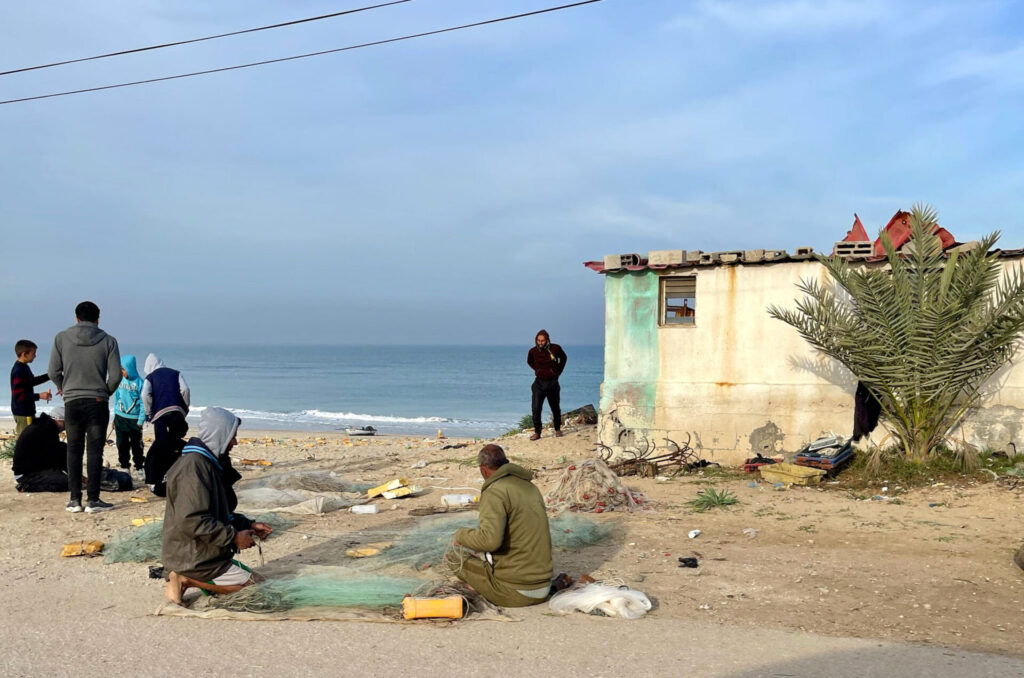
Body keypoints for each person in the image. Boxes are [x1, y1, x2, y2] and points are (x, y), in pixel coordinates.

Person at [161, 407, 272, 605]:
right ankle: (187, 578)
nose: (235, 442)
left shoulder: (206, 462)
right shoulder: (194, 467)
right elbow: (192, 520)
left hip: (201, 551)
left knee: (259, 586)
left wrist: (249, 525)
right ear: (218, 435)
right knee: (259, 588)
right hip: (194, 557)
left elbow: (217, 514)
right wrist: (234, 537)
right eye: (232, 437)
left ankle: (189, 576)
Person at [450, 444, 553, 607]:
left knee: (453, 557)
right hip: (544, 586)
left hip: (515, 591)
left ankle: (489, 586)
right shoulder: (531, 487)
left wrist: (460, 535)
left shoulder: (495, 491)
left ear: (483, 470)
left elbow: (490, 541)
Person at [48, 301, 121, 514]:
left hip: (72, 401)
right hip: (97, 402)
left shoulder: (61, 338)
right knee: (95, 450)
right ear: (98, 318)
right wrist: (104, 392)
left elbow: (53, 371)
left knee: (74, 449)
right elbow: (115, 376)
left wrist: (65, 387)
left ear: (76, 318)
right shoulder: (109, 341)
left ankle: (74, 500)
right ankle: (94, 500)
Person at [12, 407, 68, 493]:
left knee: (63, 447)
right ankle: (27, 486)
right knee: (66, 483)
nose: (65, 427)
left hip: (32, 468)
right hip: (25, 474)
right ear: (58, 420)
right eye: (65, 423)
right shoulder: (46, 430)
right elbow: (55, 455)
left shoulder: (44, 426)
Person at [526, 329, 567, 441]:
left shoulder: (555, 348)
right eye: (538, 340)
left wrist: (558, 371)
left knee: (555, 407)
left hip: (552, 383)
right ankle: (537, 432)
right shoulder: (532, 351)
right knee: (536, 408)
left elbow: (564, 358)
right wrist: (537, 370)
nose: (540, 343)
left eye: (542, 340)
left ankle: (557, 429)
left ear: (547, 340)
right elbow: (529, 361)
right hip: (539, 383)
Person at [142, 353, 190, 442]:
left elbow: (145, 394)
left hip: (159, 414)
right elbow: (185, 390)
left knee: (161, 442)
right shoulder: (176, 373)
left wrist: (148, 412)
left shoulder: (150, 377)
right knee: (176, 439)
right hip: (176, 411)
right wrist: (184, 408)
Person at [113, 355, 147, 475]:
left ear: (130, 368)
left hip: (134, 419)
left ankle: (139, 467)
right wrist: (114, 416)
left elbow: (144, 403)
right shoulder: (120, 381)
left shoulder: (140, 383)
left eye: (123, 369)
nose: (122, 372)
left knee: (136, 445)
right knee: (121, 443)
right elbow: (117, 398)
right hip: (120, 417)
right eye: (120, 369)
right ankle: (124, 466)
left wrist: (141, 420)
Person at [10, 340, 52, 436]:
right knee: (26, 441)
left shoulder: (24, 367)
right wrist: (39, 396)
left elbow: (32, 382)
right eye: (33, 353)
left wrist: (50, 375)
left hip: (26, 411)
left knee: (30, 440)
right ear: (24, 354)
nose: (35, 356)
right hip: (23, 413)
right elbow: (19, 397)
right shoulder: (18, 370)